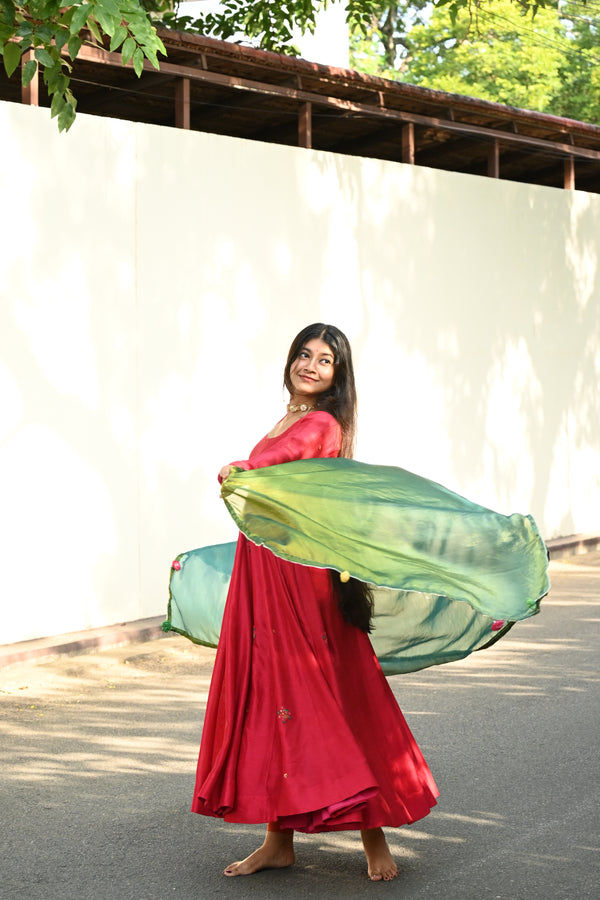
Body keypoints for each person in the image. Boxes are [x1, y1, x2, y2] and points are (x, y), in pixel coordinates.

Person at [191, 323, 439, 881]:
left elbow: (284, 463)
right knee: (275, 696)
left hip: (298, 581)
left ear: (337, 377)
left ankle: (372, 834)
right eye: (304, 354)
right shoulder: (291, 416)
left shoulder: (322, 424)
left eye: (324, 360)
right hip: (265, 569)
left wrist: (246, 469)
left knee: (325, 692)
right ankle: (278, 840)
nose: (310, 364)